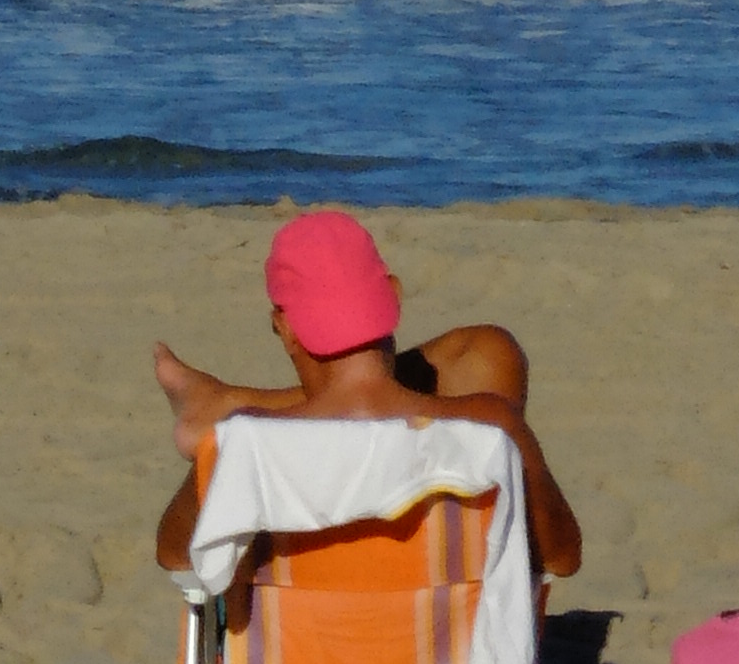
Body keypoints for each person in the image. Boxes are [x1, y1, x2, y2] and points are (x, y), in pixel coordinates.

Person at [152, 208, 583, 582]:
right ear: (393, 296)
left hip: (294, 651)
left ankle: (221, 399)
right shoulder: (493, 424)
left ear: (284, 328)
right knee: (491, 349)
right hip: (453, 653)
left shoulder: (244, 440)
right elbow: (561, 559)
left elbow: (176, 555)